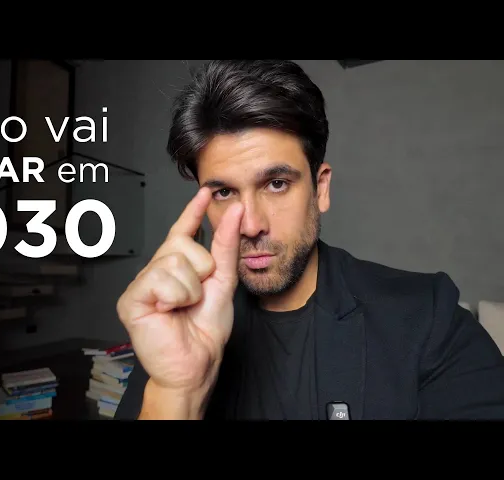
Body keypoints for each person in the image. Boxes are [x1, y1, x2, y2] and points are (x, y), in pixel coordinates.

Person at [113, 60, 504, 420]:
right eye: (224, 192)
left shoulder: (428, 318)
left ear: (321, 189)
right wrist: (178, 392)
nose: (251, 225)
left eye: (276, 184)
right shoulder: (179, 324)